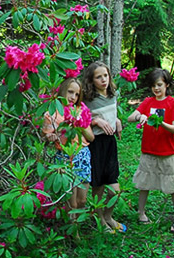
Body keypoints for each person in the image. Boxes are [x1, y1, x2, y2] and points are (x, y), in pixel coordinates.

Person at [127, 68, 174, 232]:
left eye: (159, 85)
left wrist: (159, 122)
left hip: (168, 152)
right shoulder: (148, 102)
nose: (156, 89)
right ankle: (141, 213)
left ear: (166, 84)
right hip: (149, 151)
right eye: (153, 86)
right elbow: (131, 117)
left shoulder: (173, 103)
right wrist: (140, 116)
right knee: (144, 184)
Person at [82, 61, 125, 233]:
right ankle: (99, 219)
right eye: (98, 77)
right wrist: (95, 121)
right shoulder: (88, 99)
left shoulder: (111, 95)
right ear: (91, 80)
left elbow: (110, 113)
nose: (103, 80)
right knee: (98, 185)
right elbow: (81, 120)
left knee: (115, 189)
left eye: (105, 75)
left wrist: (116, 120)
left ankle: (108, 216)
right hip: (96, 143)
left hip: (110, 143)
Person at [42, 77, 95, 214]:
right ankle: (73, 232)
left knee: (82, 200)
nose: (73, 97)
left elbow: (91, 137)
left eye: (77, 94)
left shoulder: (80, 110)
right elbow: (46, 137)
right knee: (72, 202)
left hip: (82, 155)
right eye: (70, 92)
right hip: (65, 158)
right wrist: (51, 136)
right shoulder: (52, 114)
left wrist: (79, 122)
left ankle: (78, 223)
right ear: (63, 91)